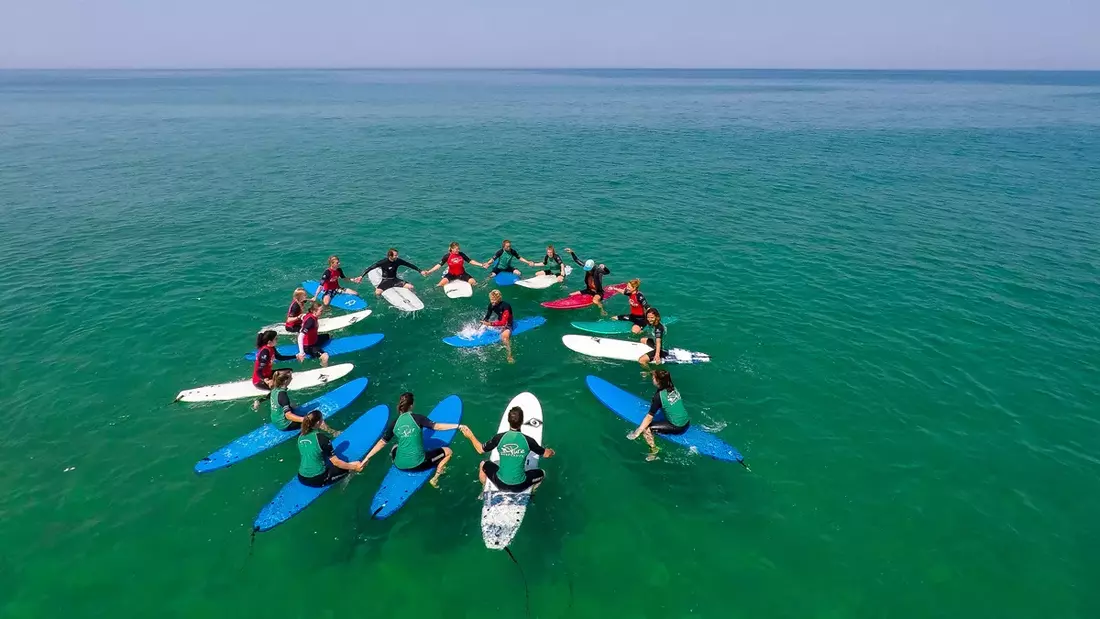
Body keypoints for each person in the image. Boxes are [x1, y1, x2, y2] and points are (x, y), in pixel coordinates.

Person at [362, 393, 468, 488]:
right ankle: (435, 478)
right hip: (418, 465)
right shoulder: (418, 418)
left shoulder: (394, 423)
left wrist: (366, 458)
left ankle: (399, 461)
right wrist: (458, 426)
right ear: (411, 405)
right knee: (448, 452)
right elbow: (437, 427)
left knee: (394, 447)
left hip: (398, 465)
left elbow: (382, 443)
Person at [460, 406, 554, 494]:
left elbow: (480, 449)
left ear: (508, 421)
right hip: (519, 486)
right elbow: (546, 454)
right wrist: (551, 451)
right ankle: (532, 492)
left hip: (500, 484)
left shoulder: (499, 438)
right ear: (522, 422)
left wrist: (470, 436)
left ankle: (484, 488)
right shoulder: (528, 441)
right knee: (542, 473)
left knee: (483, 464)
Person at [627, 369, 690, 461]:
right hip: (687, 422)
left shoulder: (658, 397)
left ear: (658, 381)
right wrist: (648, 373)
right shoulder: (672, 387)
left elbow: (649, 417)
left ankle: (654, 451)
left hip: (678, 427)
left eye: (653, 378)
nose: (652, 379)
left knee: (646, 429)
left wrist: (638, 431)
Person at [297, 410, 363, 488]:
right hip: (318, 479)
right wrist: (355, 467)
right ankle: (345, 482)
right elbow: (336, 462)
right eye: (322, 419)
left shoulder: (300, 436)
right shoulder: (322, 439)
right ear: (318, 422)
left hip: (301, 477)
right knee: (355, 465)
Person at [269, 372, 338, 434]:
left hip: (275, 419)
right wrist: (305, 420)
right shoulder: (283, 395)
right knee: (316, 418)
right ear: (285, 381)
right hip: (284, 424)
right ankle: (332, 432)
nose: (292, 378)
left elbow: (273, 398)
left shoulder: (274, 389)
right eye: (290, 378)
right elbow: (288, 415)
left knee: (293, 405)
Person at [252, 330, 295, 410]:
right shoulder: (265, 352)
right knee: (277, 390)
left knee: (289, 372)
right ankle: (259, 400)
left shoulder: (271, 348)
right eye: (276, 338)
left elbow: (280, 357)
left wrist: (296, 356)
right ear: (269, 341)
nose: (277, 340)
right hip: (260, 380)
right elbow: (258, 371)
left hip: (268, 374)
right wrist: (266, 380)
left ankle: (280, 387)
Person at [564, 247, 611, 312]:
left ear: (592, 267)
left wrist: (604, 267)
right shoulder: (586, 266)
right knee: (571, 294)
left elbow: (607, 272)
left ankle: (602, 310)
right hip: (588, 290)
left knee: (595, 301)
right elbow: (577, 260)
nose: (588, 271)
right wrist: (572, 252)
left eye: (589, 270)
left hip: (598, 292)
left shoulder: (598, 270)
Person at [422, 242, 487, 288]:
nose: (458, 250)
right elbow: (439, 265)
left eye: (459, 248)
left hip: (462, 274)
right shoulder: (447, 256)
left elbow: (470, 261)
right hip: (451, 274)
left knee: (474, 282)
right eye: (457, 249)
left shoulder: (461, 254)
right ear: (452, 249)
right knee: (439, 285)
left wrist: (481, 264)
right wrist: (429, 271)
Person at [482, 289, 516, 363]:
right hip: (499, 322)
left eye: (495, 300)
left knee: (504, 337)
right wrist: (483, 323)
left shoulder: (506, 306)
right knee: (483, 329)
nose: (493, 302)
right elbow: (487, 316)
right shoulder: (491, 305)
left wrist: (491, 324)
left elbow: (504, 322)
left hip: (507, 324)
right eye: (491, 299)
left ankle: (509, 355)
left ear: (499, 298)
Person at [297, 302, 331, 367]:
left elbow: (303, 316)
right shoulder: (310, 321)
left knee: (328, 336)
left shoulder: (310, 314)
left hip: (314, 339)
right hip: (308, 346)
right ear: (315, 311)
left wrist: (300, 317)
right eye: (321, 311)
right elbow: (300, 336)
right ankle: (324, 369)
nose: (322, 312)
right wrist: (301, 353)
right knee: (325, 356)